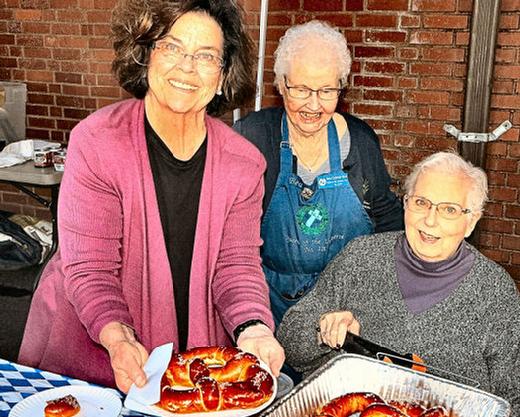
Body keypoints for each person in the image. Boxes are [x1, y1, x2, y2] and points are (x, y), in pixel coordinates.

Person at [18, 0, 284, 393]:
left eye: (206, 56)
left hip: (192, 351)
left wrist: (253, 327)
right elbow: (91, 269)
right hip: (96, 347)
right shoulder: (97, 142)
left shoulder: (244, 163)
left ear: (224, 74)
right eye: (172, 47)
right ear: (146, 54)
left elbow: (237, 266)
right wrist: (119, 338)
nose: (187, 66)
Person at [278, 152, 520, 412]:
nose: (430, 220)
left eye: (449, 209)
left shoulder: (496, 292)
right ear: (405, 204)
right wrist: (320, 330)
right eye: (421, 202)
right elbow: (289, 341)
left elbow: (513, 398)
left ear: (471, 221)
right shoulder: (360, 258)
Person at [233, 20, 403, 327]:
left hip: (344, 312)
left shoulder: (361, 143)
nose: (314, 105)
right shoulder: (253, 138)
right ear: (281, 85)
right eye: (301, 89)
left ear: (341, 87)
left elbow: (388, 221)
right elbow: (226, 239)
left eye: (326, 90)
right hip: (269, 308)